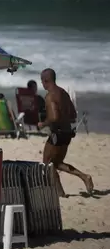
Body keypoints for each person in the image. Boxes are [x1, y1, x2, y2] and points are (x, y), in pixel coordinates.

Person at [38, 68, 93, 197]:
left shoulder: (50, 96)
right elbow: (73, 114)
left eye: (42, 81)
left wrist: (43, 124)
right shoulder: (63, 93)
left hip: (57, 134)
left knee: (47, 164)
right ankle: (84, 177)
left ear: (45, 80)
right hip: (67, 133)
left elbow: (54, 117)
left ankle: (60, 193)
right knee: (57, 163)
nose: (42, 84)